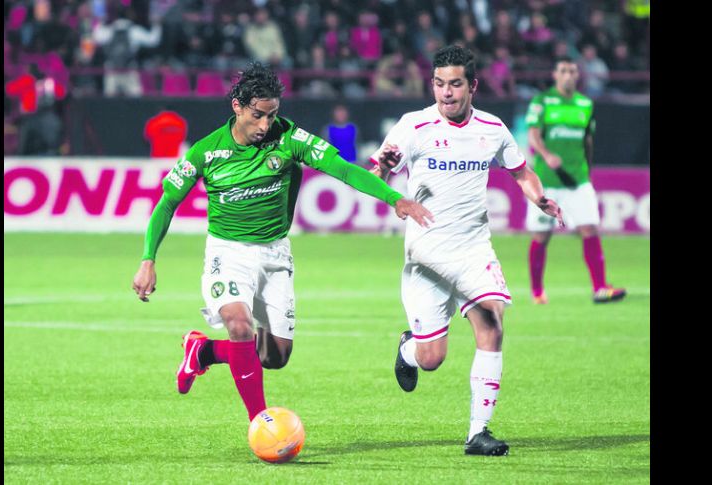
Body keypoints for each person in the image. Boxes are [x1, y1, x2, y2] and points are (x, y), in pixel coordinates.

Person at [131, 62, 433, 422]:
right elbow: (167, 203)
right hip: (228, 253)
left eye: (272, 116)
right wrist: (148, 259)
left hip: (275, 253)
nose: (265, 126)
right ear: (237, 107)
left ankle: (203, 351)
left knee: (275, 356)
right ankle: (262, 424)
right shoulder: (206, 152)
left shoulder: (290, 138)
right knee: (240, 326)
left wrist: (393, 197)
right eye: (258, 115)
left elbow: (344, 168)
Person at [369, 45, 563, 456]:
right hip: (425, 258)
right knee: (432, 357)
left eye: (455, 84)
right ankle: (408, 348)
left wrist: (539, 198)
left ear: (472, 86)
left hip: (474, 250)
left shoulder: (492, 129)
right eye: (439, 84)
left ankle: (478, 432)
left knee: (492, 323)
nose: (446, 93)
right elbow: (376, 172)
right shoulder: (412, 126)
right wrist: (384, 167)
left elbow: (521, 171)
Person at [524, 57, 627, 305]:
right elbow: (533, 135)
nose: (568, 75)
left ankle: (600, 288)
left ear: (577, 75)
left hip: (578, 180)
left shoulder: (585, 104)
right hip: (547, 182)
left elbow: (587, 142)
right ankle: (537, 292)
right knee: (542, 236)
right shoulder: (542, 102)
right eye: (563, 71)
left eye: (572, 71)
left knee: (590, 229)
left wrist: (588, 172)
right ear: (555, 74)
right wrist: (546, 155)